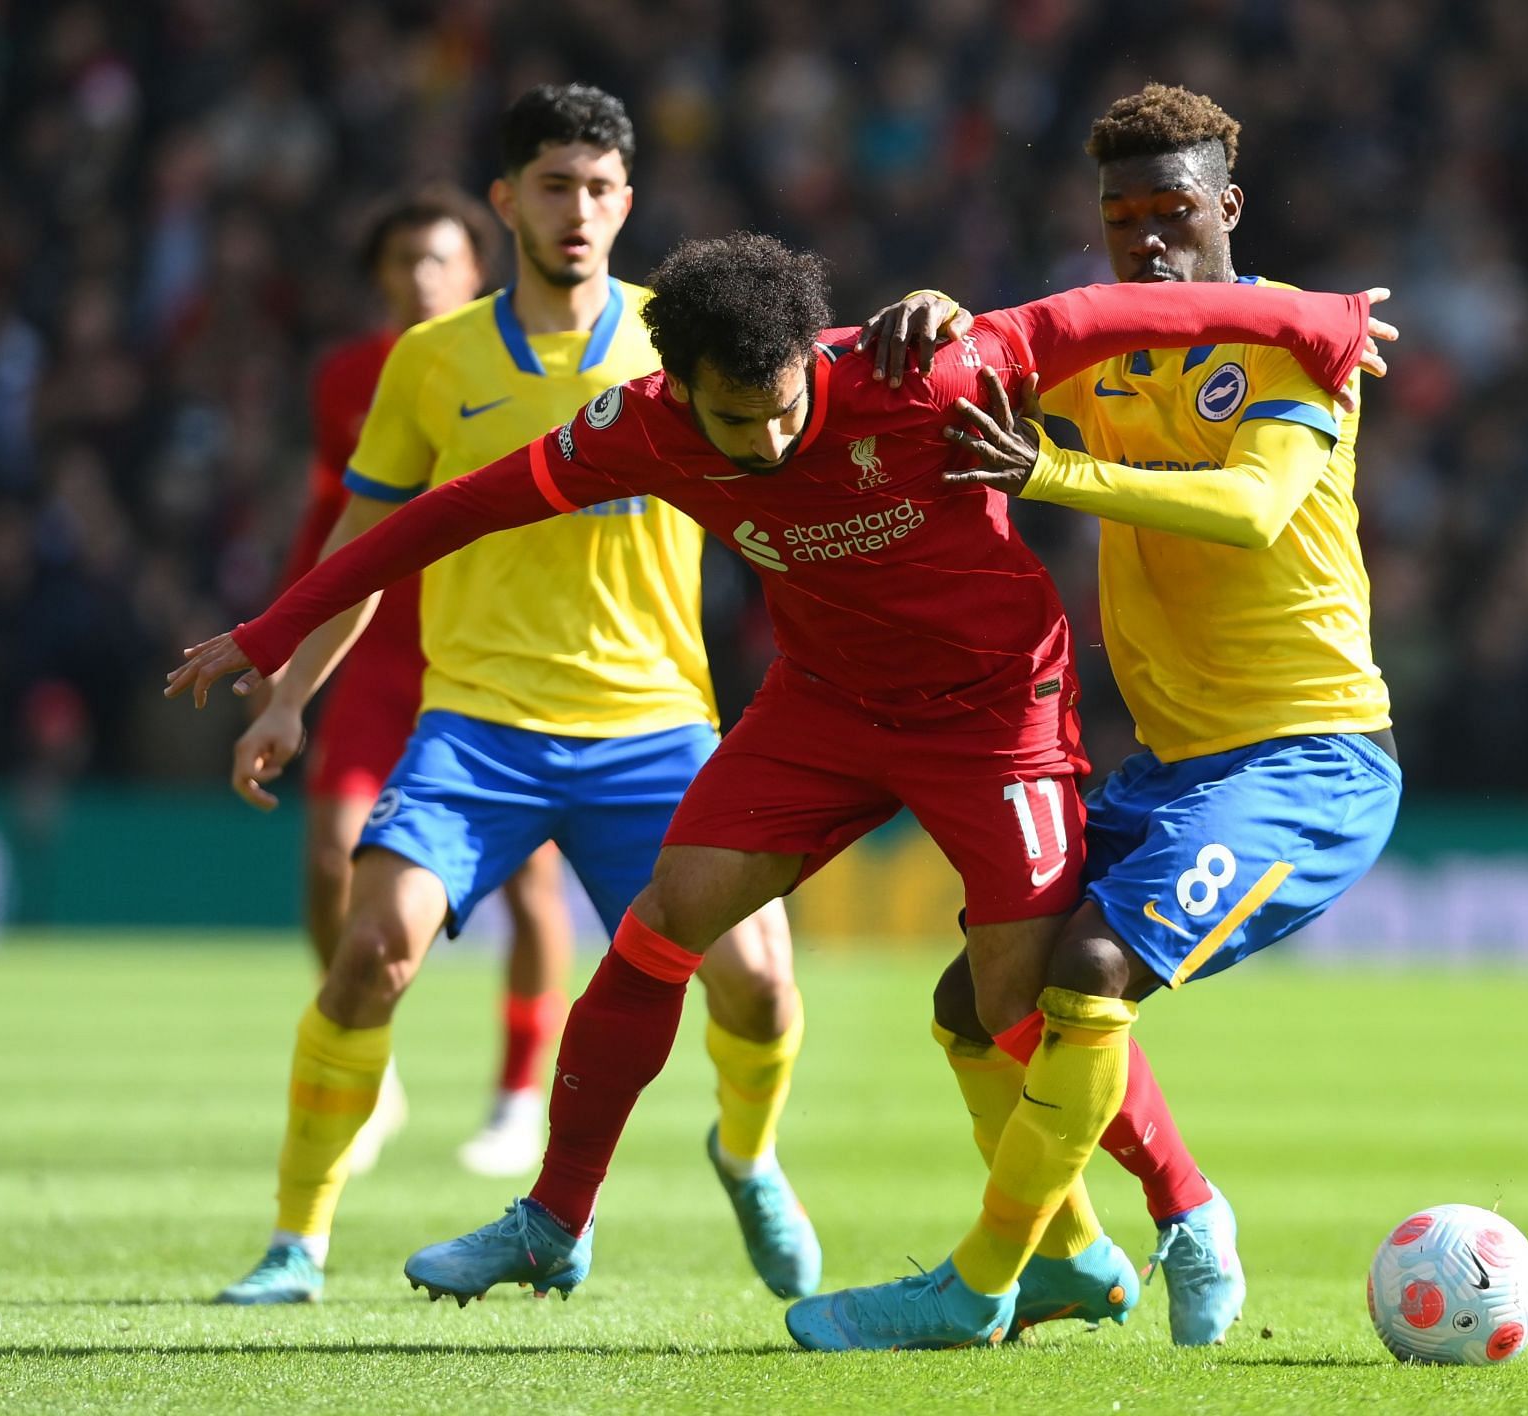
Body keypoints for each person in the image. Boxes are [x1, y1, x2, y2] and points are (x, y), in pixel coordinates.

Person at [166, 229, 1388, 1330]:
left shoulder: (929, 372)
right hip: (826, 709)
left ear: (815, 358)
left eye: (783, 410)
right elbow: (456, 511)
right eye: (732, 422)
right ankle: (552, 1222)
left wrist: (1319, 318)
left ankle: (1182, 1213)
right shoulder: (636, 426)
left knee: (1025, 1009)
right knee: (662, 925)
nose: (764, 442)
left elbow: (1111, 317)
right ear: (677, 389)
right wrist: (274, 632)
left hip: (995, 714)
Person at [787, 83, 1402, 1351]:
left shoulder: (1295, 342)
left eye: (1174, 211)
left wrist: (1052, 470)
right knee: (976, 1003)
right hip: (1177, 766)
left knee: (1091, 969)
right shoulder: (1106, 353)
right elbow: (993, 373)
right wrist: (952, 316)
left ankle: (977, 1283)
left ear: (1228, 207)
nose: (1149, 242)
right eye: (1123, 220)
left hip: (1312, 755)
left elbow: (1251, 511)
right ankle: (1088, 1249)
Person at [209, 85, 814, 1309]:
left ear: (629, 201)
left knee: (756, 985)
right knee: (371, 952)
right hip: (479, 729)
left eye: (599, 188)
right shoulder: (430, 364)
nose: (579, 210)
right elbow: (362, 552)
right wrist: (289, 700)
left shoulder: (681, 342)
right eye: (554, 185)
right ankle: (295, 1243)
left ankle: (746, 1156)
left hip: (655, 729)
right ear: (506, 201)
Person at [258, 186, 577, 1183]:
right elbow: (336, 519)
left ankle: (520, 1092)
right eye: (403, 262)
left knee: (529, 882)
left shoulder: (519, 361)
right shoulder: (348, 377)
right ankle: (365, 1059)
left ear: (478, 270)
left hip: (491, 652)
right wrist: (287, 642)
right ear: (379, 278)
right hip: (383, 652)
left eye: (440, 259)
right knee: (326, 856)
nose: (421, 277)